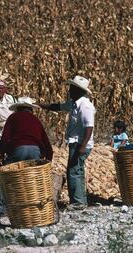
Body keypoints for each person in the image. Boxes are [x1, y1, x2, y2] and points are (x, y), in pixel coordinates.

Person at [39, 75, 95, 210]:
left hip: (81, 143)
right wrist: (42, 105)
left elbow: (89, 127)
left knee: (74, 170)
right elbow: (58, 107)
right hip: (75, 142)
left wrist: (83, 146)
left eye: (72, 88)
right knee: (76, 169)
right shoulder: (73, 103)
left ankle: (78, 201)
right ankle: (79, 200)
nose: (69, 91)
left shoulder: (85, 106)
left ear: (78, 90)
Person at [0, 97, 53, 217]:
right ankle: (34, 208)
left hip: (18, 149)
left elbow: (5, 138)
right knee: (32, 178)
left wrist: (2, 154)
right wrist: (48, 157)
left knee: (7, 177)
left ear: (17, 108)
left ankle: (0, 209)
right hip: (35, 150)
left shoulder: (13, 118)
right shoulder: (35, 119)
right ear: (30, 109)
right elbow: (45, 140)